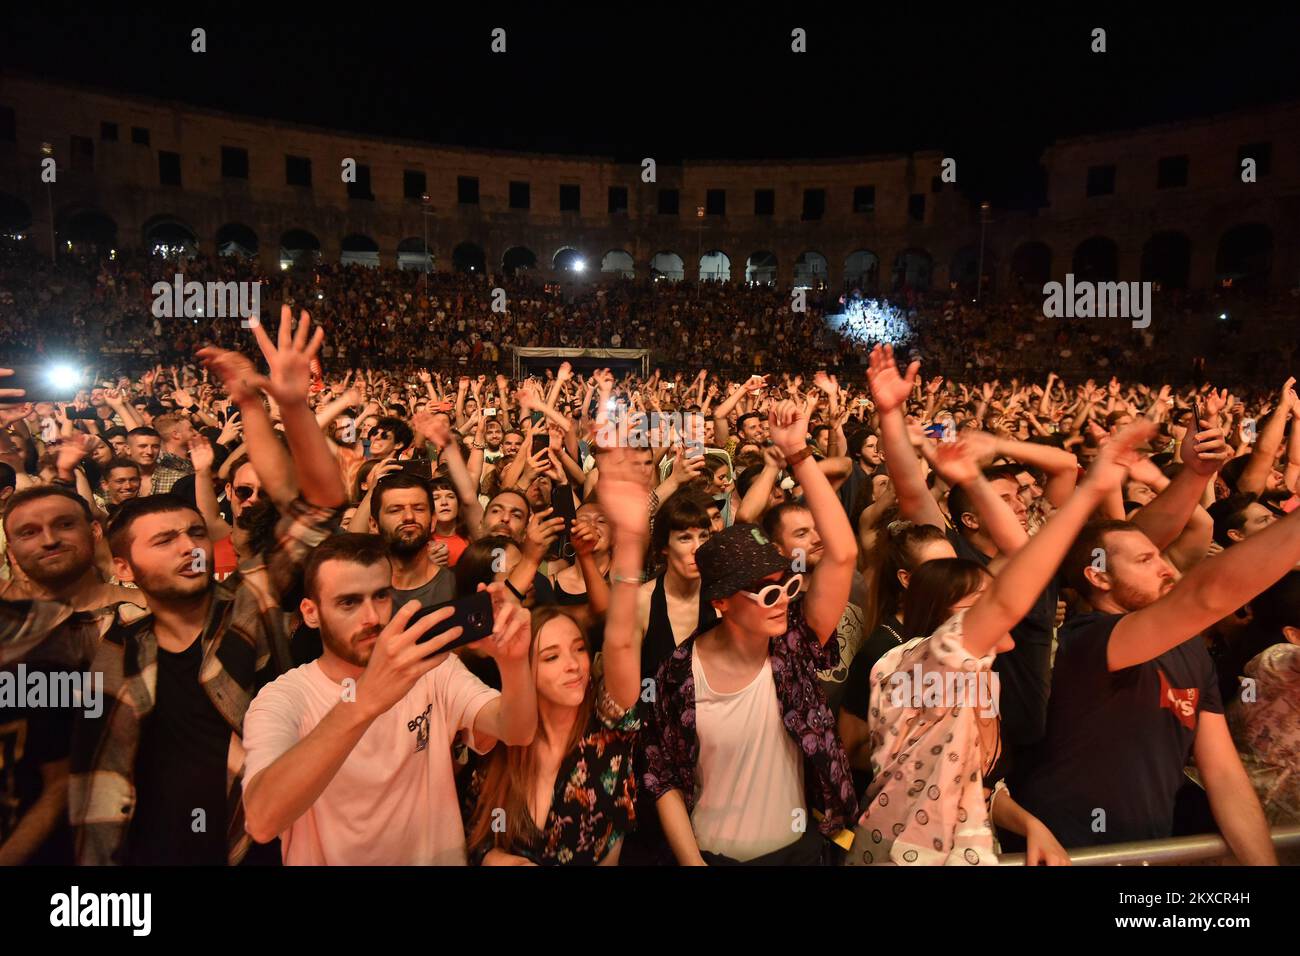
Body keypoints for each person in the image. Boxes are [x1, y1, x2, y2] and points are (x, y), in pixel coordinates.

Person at [0, 307, 345, 864]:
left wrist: (286, 405)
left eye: (193, 533)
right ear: (124, 567)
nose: (190, 546)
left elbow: (321, 507)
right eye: (163, 541)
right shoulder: (92, 645)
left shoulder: (248, 607)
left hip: (251, 846)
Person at [847, 424, 1152, 866]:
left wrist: (1030, 825)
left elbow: (969, 783)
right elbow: (1016, 583)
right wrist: (1091, 492)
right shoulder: (918, 664)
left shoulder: (980, 681)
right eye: (983, 604)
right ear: (947, 621)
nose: (1008, 611)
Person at [1014, 424, 1288, 863]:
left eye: (1161, 555)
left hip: (1149, 850)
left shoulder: (1190, 649)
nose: (1165, 568)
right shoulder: (1087, 640)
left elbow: (1224, 777)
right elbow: (1206, 595)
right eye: (1146, 560)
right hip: (1070, 854)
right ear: (1098, 576)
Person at [643, 400, 858, 865]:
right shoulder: (679, 672)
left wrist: (799, 455)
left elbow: (842, 555)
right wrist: (692, 863)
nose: (781, 599)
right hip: (713, 855)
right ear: (720, 602)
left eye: (786, 585)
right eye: (764, 593)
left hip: (799, 852)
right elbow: (662, 778)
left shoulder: (794, 645)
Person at [241, 534, 537, 864]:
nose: (372, 617)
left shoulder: (432, 669)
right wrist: (364, 700)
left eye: (381, 596)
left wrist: (512, 663)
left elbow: (516, 730)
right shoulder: (285, 697)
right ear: (311, 612)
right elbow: (262, 821)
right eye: (348, 602)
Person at [464, 458, 649, 864]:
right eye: (550, 656)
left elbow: (620, 640)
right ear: (522, 669)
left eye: (580, 649)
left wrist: (633, 539)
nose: (574, 664)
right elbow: (477, 836)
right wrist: (492, 859)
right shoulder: (497, 742)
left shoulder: (608, 728)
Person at [370, 473, 455, 609]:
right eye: (395, 510)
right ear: (374, 525)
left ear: (433, 521)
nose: (409, 517)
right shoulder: (361, 590)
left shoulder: (456, 587)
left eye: (419, 509)